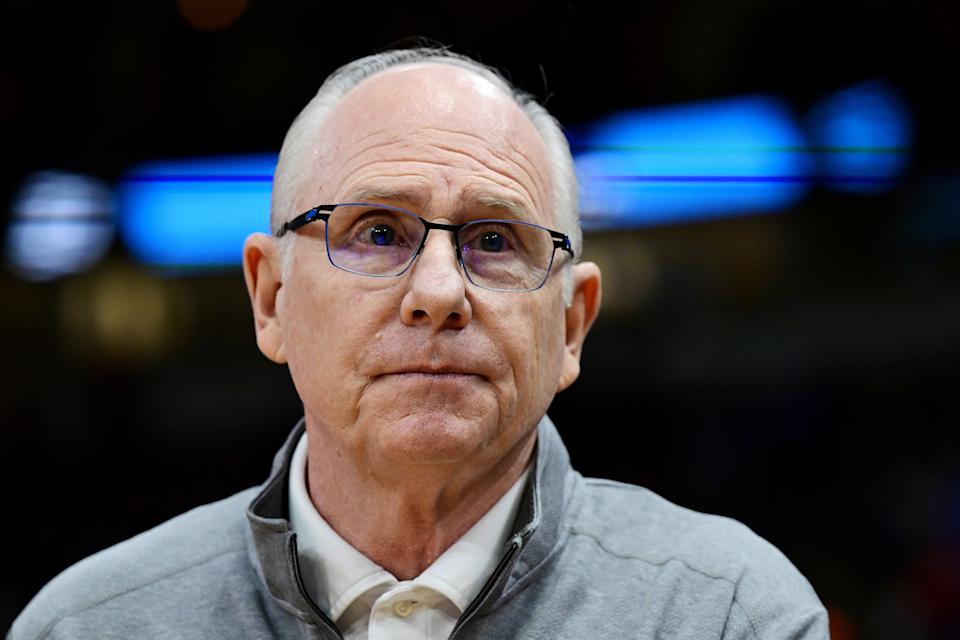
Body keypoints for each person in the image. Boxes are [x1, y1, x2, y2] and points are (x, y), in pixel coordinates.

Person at [10, 47, 829, 640]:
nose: (438, 293)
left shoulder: (727, 614)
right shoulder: (89, 626)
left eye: (496, 242)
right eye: (374, 231)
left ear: (572, 324)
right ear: (271, 299)